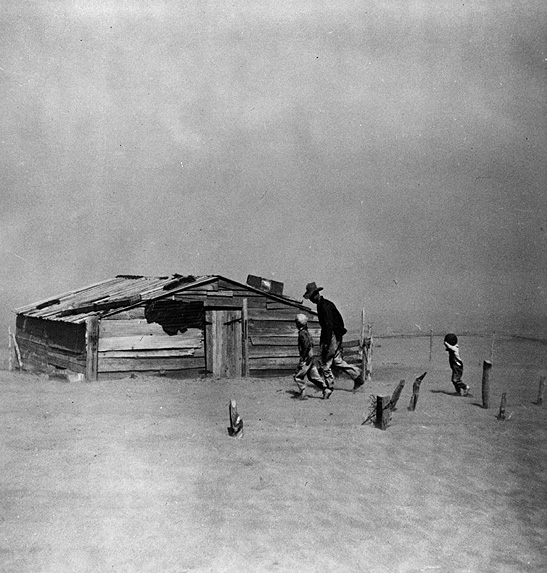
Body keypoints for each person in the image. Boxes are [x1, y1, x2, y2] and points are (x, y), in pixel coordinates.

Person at [303, 282, 364, 397]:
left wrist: (326, 343)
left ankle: (328, 387)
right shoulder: (322, 304)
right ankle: (357, 376)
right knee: (337, 361)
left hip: (332, 336)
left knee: (325, 363)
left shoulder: (324, 306)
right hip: (334, 335)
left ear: (316, 295)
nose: (310, 300)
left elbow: (329, 326)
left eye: (311, 297)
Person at [293, 313, 328, 400]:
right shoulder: (307, 332)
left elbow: (306, 345)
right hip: (311, 356)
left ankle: (303, 393)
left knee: (298, 376)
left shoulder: (302, 333)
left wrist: (303, 357)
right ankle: (325, 389)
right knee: (313, 376)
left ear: (298, 323)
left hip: (307, 357)